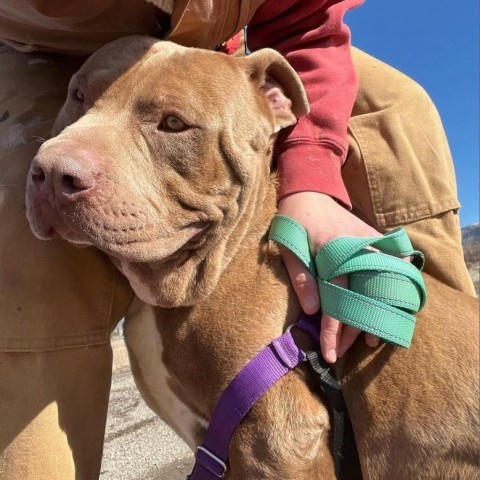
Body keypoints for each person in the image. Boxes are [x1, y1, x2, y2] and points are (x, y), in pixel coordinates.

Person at [0, 0, 475, 478]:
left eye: (172, 124)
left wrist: (312, 177)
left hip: (227, 45)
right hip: (40, 49)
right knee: (21, 241)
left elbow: (307, 25)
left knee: (395, 106)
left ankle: (422, 346)